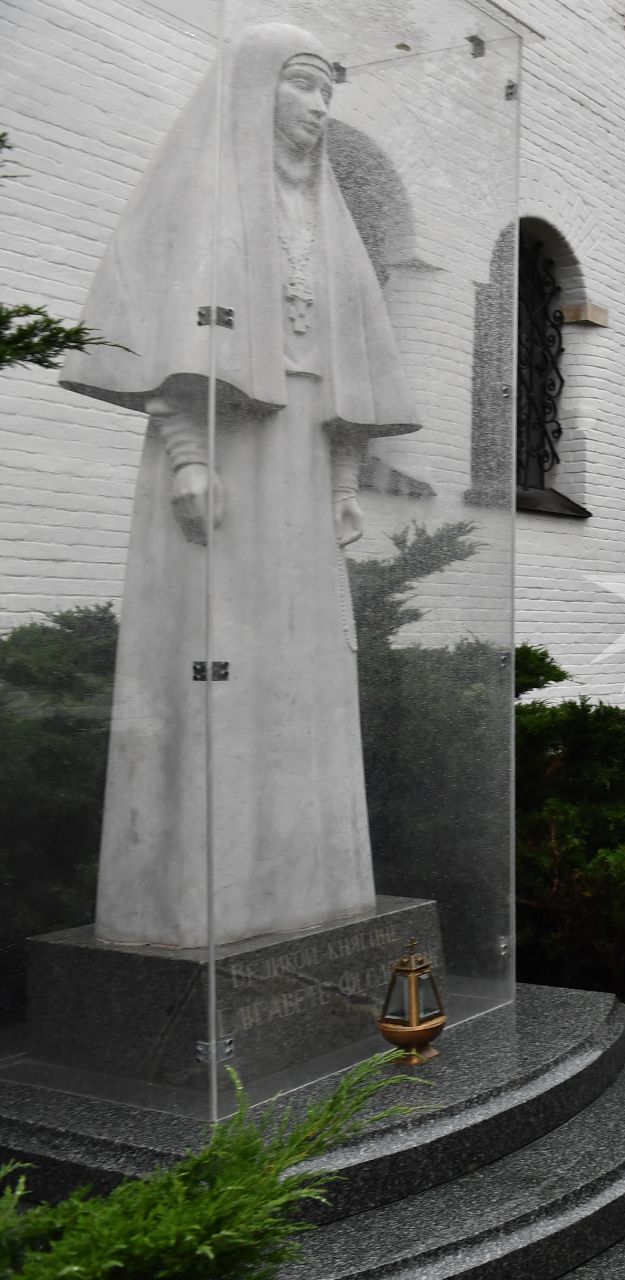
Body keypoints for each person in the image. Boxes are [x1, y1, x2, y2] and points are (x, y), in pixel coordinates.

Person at [60, 25, 420, 946]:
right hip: (224, 452)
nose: (319, 107)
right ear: (254, 92)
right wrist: (186, 452)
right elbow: (167, 357)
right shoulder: (199, 199)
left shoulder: (324, 218)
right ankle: (202, 904)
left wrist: (345, 481)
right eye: (303, 85)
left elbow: (346, 376)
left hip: (301, 459)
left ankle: (306, 885)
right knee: (219, 655)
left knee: (301, 664)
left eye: (328, 90)